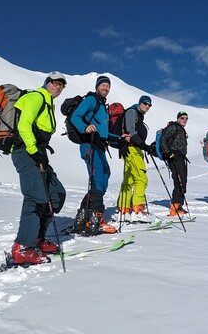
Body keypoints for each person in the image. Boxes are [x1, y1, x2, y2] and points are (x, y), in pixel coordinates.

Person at [10, 72, 67, 265]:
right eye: (54, 83)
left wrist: (39, 152)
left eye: (61, 85)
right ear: (47, 83)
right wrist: (34, 151)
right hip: (25, 152)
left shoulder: (48, 103)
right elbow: (24, 125)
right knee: (35, 198)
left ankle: (38, 240)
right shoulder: (36, 97)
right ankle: (23, 248)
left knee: (56, 193)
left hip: (38, 154)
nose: (57, 87)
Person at [70, 75, 124, 234]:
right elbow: (76, 117)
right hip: (89, 145)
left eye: (108, 86)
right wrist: (84, 128)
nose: (106, 88)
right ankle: (96, 219)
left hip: (99, 146)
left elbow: (104, 132)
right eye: (103, 85)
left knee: (104, 176)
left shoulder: (101, 106)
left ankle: (83, 216)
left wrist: (120, 138)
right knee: (97, 180)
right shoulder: (91, 100)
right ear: (97, 86)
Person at [117, 95, 154, 223]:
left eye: (149, 105)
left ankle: (124, 209)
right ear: (139, 103)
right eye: (145, 103)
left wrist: (144, 146)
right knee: (141, 178)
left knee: (130, 180)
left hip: (131, 149)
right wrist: (144, 145)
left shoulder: (138, 115)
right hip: (132, 149)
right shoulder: (132, 112)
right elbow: (131, 131)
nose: (147, 106)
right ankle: (138, 210)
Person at [160, 111, 189, 217]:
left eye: (186, 118)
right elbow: (163, 139)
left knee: (183, 181)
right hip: (174, 157)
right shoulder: (173, 127)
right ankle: (174, 208)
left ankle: (179, 205)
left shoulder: (181, 129)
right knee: (179, 181)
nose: (184, 120)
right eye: (182, 118)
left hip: (181, 157)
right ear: (178, 118)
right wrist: (168, 153)